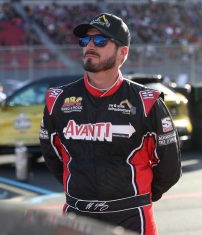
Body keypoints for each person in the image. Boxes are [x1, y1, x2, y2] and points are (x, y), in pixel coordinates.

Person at [39, 13, 181, 235]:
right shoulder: (57, 99)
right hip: (77, 216)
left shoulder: (146, 101)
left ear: (123, 52)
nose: (90, 46)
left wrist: (138, 197)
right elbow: (52, 155)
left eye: (101, 41)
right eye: (85, 41)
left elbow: (170, 167)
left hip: (132, 217)